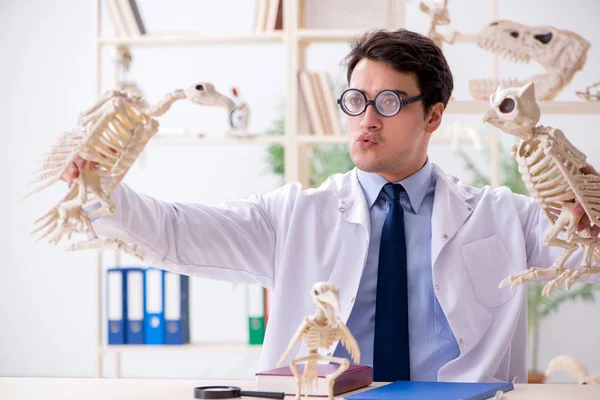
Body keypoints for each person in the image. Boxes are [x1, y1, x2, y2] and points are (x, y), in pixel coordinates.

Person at [62, 29, 599, 383]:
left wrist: (590, 208)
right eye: (356, 100)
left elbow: (586, 248)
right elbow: (177, 234)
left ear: (433, 116)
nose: (367, 118)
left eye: (389, 102)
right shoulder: (294, 215)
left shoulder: (504, 217)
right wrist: (104, 190)